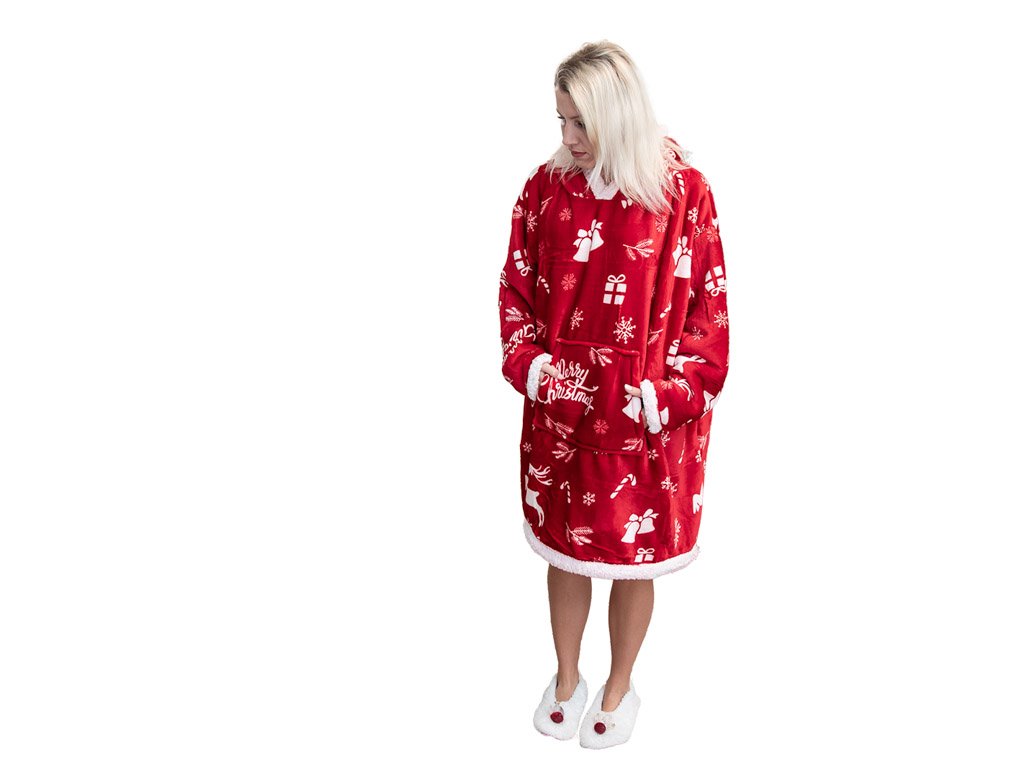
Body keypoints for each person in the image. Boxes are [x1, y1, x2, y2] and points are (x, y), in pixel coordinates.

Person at [497, 40, 730, 748]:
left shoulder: (683, 193)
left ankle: (620, 684)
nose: (568, 138)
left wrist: (669, 395)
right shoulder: (545, 190)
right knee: (564, 554)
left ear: (618, 115)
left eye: (582, 123)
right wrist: (535, 369)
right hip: (563, 415)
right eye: (561, 120)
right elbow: (515, 289)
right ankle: (567, 676)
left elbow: (709, 316)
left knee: (634, 560)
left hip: (642, 422)